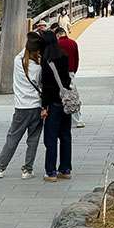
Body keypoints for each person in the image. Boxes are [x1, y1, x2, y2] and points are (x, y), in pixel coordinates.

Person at [0, 32, 44, 179]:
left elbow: (23, 52)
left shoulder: (17, 61)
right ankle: (27, 169)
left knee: (13, 138)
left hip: (21, 107)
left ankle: (0, 168)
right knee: (33, 140)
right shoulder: (38, 67)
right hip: (36, 106)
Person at [39, 30, 72, 182]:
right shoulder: (64, 55)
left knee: (50, 138)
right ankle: (65, 169)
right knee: (65, 136)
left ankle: (50, 171)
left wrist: (44, 106)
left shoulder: (46, 60)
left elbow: (46, 86)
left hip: (52, 103)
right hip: (65, 101)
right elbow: (66, 78)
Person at [55, 26, 84, 128]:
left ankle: (62, 118)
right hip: (70, 72)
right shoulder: (73, 43)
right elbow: (77, 59)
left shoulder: (57, 44)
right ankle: (77, 119)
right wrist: (74, 70)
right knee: (72, 96)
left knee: (60, 96)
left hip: (59, 73)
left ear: (58, 35)